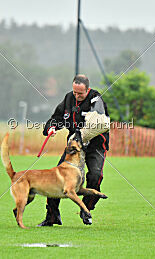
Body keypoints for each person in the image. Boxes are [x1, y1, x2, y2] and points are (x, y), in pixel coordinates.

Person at [38, 74, 110, 226]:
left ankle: (86, 209)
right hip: (74, 147)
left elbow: (101, 121)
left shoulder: (96, 99)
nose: (76, 96)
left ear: (87, 89)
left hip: (95, 146)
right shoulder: (69, 98)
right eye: (75, 92)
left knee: (96, 176)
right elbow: (58, 117)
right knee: (55, 179)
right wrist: (51, 127)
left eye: (80, 94)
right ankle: (52, 216)